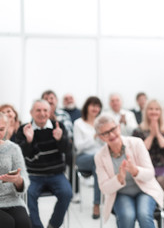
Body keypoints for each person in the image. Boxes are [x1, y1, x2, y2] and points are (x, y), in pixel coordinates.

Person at [94, 114, 164, 228]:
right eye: (106, 133)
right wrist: (119, 178)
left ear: (119, 127)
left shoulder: (136, 143)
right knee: (127, 216)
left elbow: (150, 173)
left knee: (144, 215)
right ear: (101, 137)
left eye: (113, 129)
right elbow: (104, 188)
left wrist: (135, 171)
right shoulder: (99, 156)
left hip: (144, 191)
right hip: (121, 194)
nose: (111, 135)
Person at [15, 99, 72, 228]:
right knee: (28, 195)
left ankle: (53, 225)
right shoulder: (24, 129)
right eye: (38, 110)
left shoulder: (59, 126)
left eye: (45, 110)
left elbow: (67, 151)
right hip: (33, 174)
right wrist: (28, 140)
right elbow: (20, 155)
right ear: (31, 112)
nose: (42, 113)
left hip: (56, 173)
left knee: (67, 193)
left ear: (50, 111)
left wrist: (60, 139)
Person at [132, 99, 164, 227]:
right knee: (153, 180)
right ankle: (155, 213)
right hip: (146, 167)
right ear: (146, 111)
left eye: (156, 109)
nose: (154, 112)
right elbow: (139, 152)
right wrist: (151, 135)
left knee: (161, 181)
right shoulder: (138, 130)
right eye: (151, 109)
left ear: (160, 112)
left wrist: (157, 133)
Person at [73, 96, 104, 219]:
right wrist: (94, 136)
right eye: (93, 105)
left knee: (99, 164)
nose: (95, 108)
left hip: (100, 159)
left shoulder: (102, 123)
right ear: (87, 107)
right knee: (98, 161)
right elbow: (79, 146)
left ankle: (108, 201)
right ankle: (97, 204)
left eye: (98, 106)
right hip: (82, 158)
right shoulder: (78, 123)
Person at [0, 113, 31, 228]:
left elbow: (24, 178)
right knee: (7, 222)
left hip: (11, 199)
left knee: (23, 223)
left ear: (7, 129)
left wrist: (18, 181)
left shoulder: (13, 149)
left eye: (1, 129)